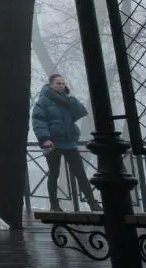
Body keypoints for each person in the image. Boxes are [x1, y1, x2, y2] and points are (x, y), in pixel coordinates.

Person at [32, 73, 99, 211]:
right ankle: (54, 205)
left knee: (80, 173)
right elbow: (38, 121)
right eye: (58, 83)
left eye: (63, 83)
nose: (61, 86)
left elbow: (79, 113)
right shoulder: (43, 101)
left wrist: (71, 101)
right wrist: (45, 139)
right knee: (54, 173)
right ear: (50, 84)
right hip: (51, 143)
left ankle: (93, 203)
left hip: (69, 142)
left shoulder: (67, 100)